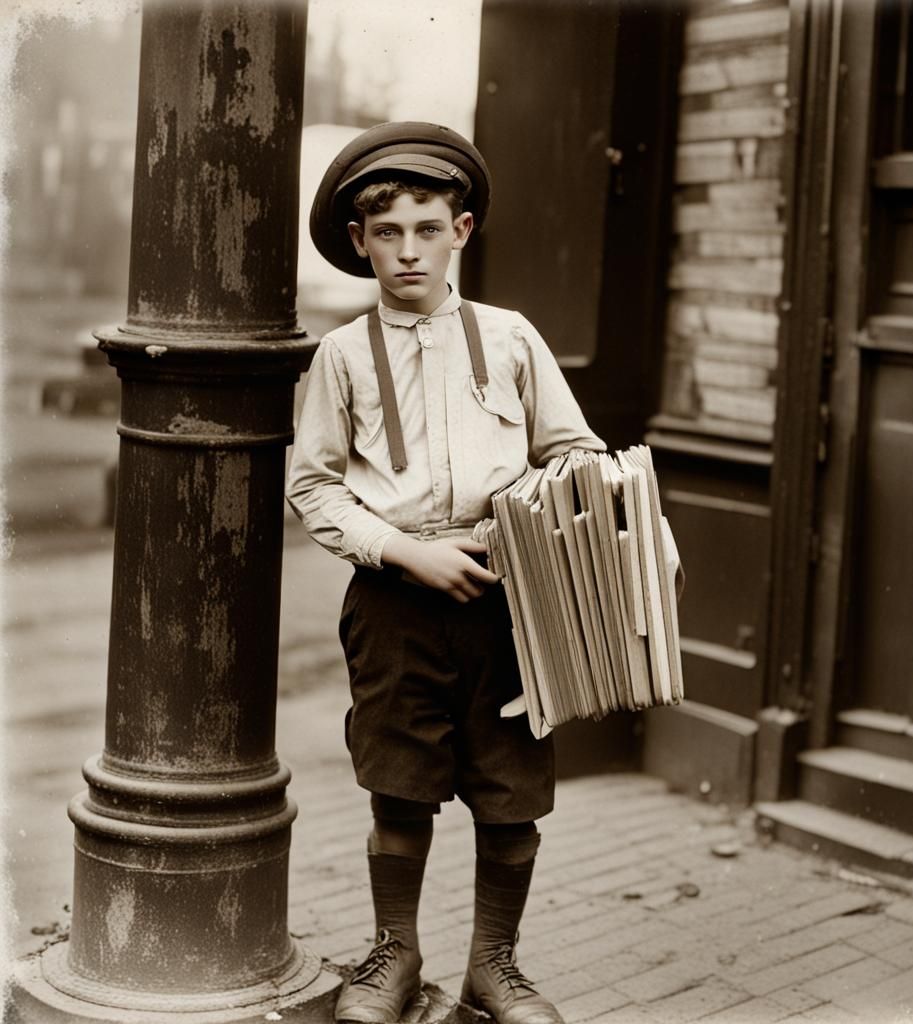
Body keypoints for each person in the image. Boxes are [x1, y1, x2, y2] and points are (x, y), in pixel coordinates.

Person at [287, 121, 605, 1024]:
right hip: (394, 601)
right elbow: (313, 487)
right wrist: (404, 550)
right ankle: (395, 956)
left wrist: (528, 524)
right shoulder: (343, 355)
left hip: (510, 603)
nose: (408, 252)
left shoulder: (510, 339)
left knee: (511, 794)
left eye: (428, 229)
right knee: (400, 786)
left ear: (461, 231)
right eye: (387, 233)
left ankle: (493, 968)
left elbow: (575, 453)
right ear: (360, 241)